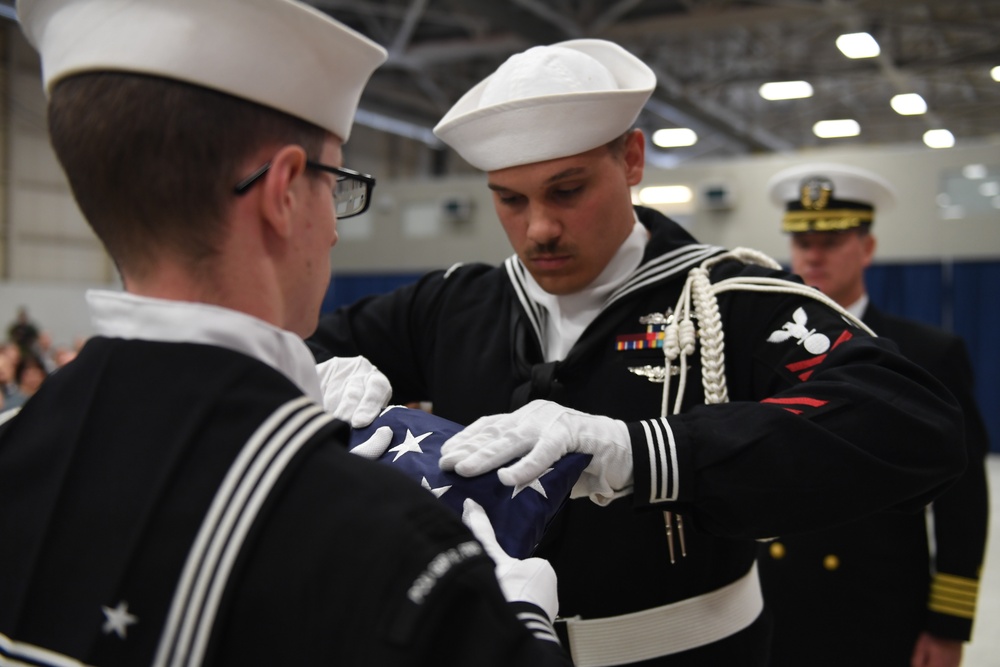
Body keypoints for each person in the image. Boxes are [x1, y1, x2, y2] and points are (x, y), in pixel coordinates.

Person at [308, 39, 966, 666]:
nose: (538, 228)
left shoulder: (728, 295)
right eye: (510, 199)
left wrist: (643, 451)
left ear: (631, 160)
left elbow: (910, 417)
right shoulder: (452, 304)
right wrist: (309, 370)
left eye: (567, 191)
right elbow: (266, 349)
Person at [0, 1, 573, 665]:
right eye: (335, 184)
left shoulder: (16, 448)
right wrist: (520, 615)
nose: (334, 227)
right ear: (284, 192)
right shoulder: (396, 549)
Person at [759, 163, 990, 667]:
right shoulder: (759, 350)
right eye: (801, 241)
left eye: (833, 239)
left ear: (867, 247)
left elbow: (963, 500)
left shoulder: (925, 353)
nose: (812, 254)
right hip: (773, 604)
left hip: (877, 606)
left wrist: (948, 626)